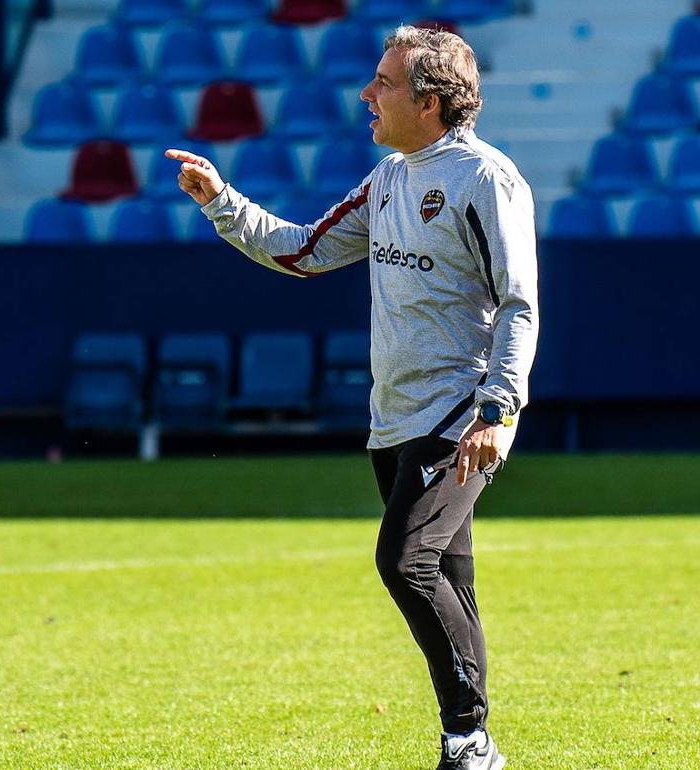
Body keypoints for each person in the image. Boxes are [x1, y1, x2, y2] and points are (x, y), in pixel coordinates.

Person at [169, 25, 537, 770]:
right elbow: (306, 251)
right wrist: (221, 202)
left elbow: (519, 304)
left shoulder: (484, 178)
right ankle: (469, 742)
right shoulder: (390, 177)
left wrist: (498, 410)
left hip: (459, 414)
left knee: (406, 563)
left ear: (429, 101)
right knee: (448, 580)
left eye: (383, 82)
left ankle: (471, 737)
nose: (365, 95)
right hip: (393, 419)